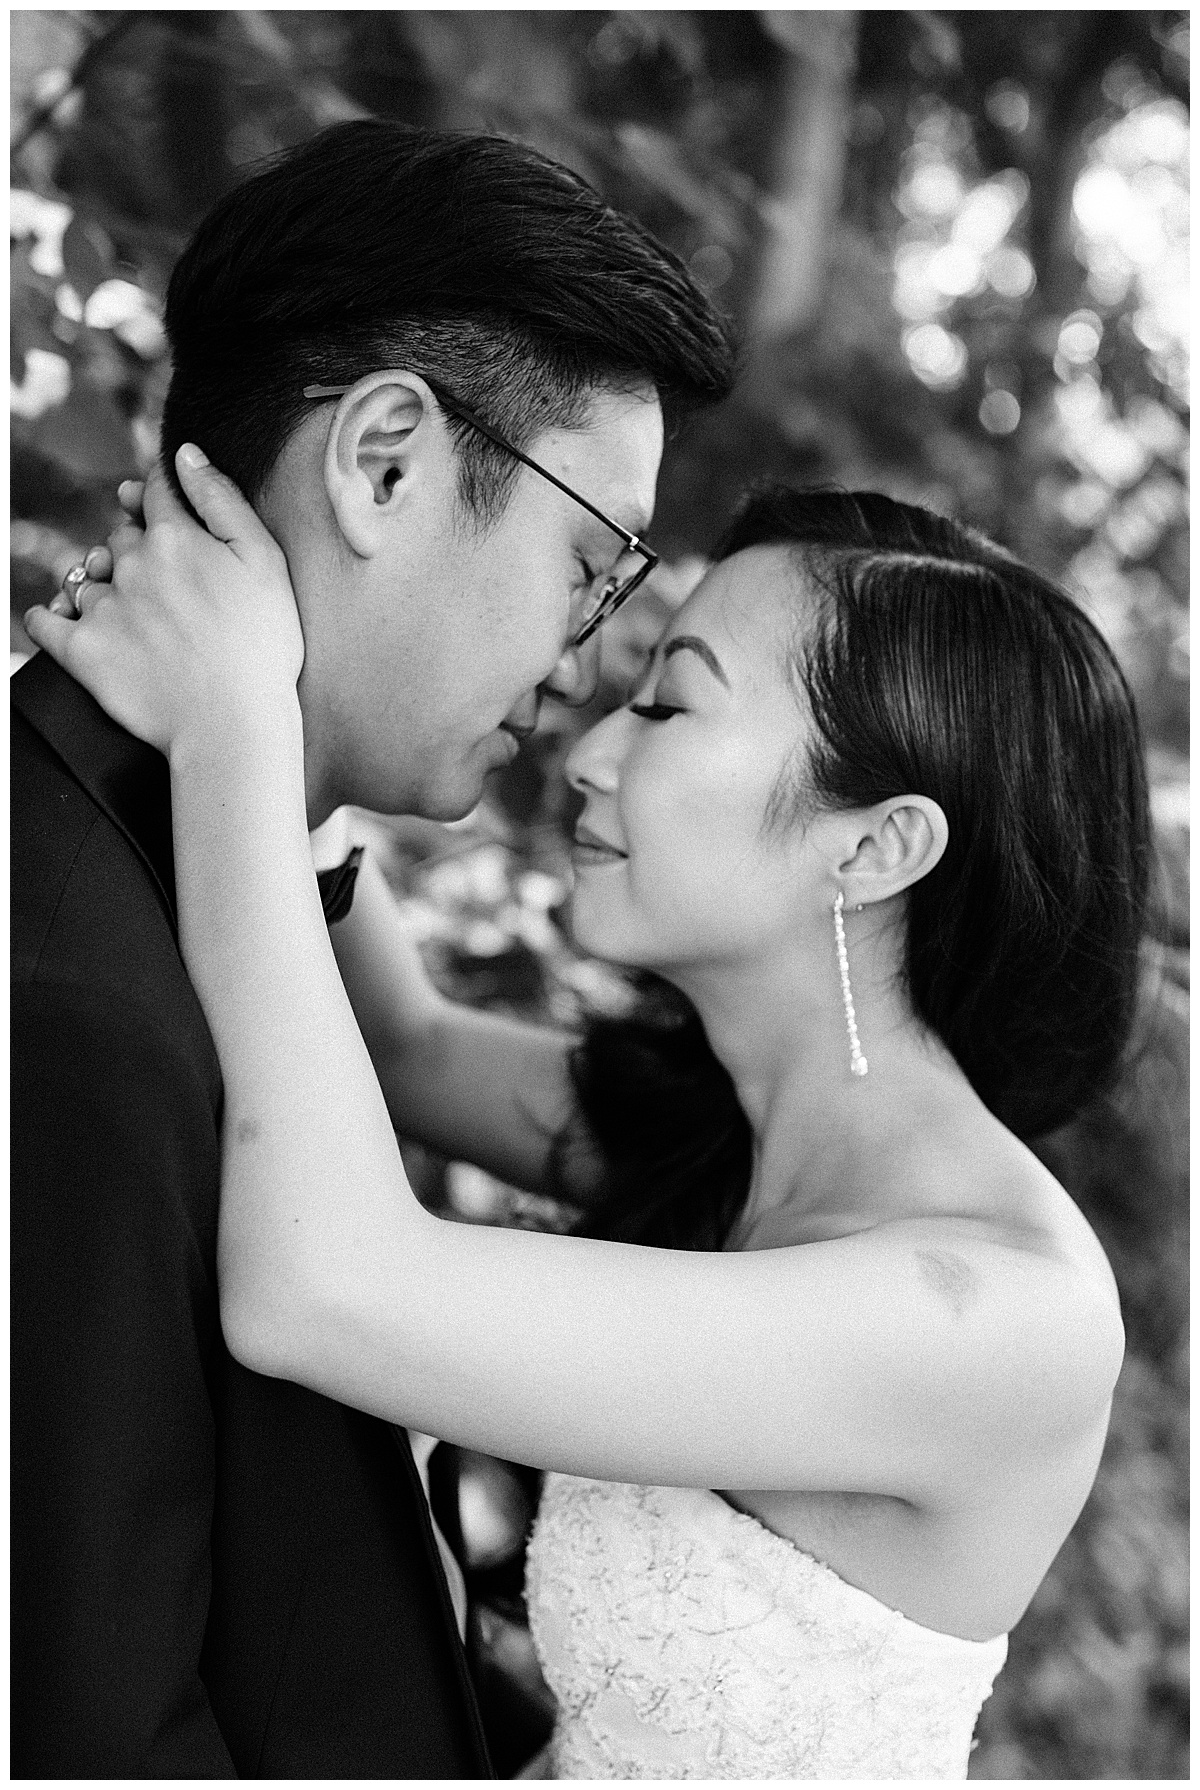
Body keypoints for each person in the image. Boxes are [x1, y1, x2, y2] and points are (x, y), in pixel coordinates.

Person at [27, 461, 1148, 1779]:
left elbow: (321, 1286)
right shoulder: (725, 1143)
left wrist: (235, 733)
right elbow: (404, 1044)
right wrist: (315, 705)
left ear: (874, 847)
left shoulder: (1005, 1318)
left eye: (669, 704)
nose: (596, 747)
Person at [10, 118, 734, 1777]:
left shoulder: (204, 895)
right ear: (385, 460)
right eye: (593, 556)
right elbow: (89, 1727)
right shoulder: (64, 1003)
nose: (595, 653)